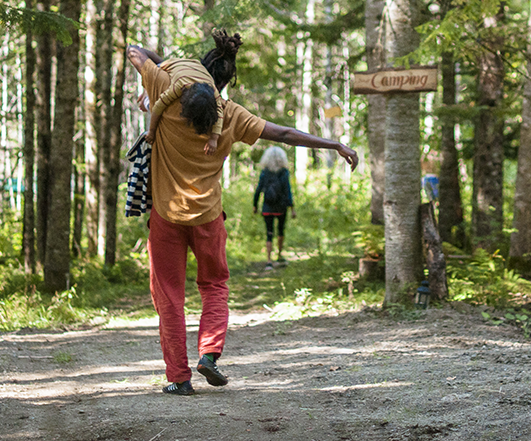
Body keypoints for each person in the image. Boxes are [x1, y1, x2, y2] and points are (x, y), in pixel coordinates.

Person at [126, 42, 358, 397]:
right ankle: (208, 354)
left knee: (169, 297)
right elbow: (284, 134)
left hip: (166, 217)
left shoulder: (165, 91)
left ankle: (179, 378)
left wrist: (166, 66)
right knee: (214, 285)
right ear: (220, 85)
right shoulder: (231, 114)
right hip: (208, 218)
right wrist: (334, 144)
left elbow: (135, 51)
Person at [143, 30, 242, 154]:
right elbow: (158, 107)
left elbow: (219, 115)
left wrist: (214, 139)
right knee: (152, 87)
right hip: (171, 65)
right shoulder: (179, 87)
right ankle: (144, 95)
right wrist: (151, 132)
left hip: (194, 67)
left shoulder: (213, 92)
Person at [253, 146, 295, 269]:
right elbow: (287, 190)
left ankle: (269, 261)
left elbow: (258, 189)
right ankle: (279, 255)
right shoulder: (284, 172)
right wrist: (292, 208)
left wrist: (255, 205)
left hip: (267, 207)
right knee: (281, 230)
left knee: (269, 233)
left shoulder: (265, 172)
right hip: (281, 208)